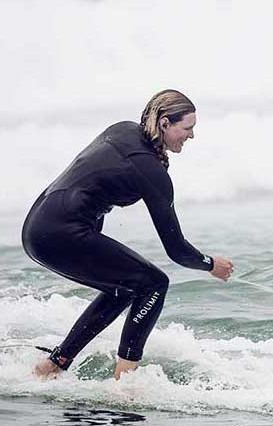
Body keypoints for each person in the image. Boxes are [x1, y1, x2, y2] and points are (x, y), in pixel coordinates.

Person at [23, 89, 233, 379]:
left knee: (125, 286)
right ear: (164, 124)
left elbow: (88, 183)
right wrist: (211, 264)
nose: (192, 135)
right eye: (188, 128)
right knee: (154, 284)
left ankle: (52, 366)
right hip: (61, 233)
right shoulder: (151, 171)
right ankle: (126, 381)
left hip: (39, 226)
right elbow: (177, 249)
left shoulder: (122, 130)